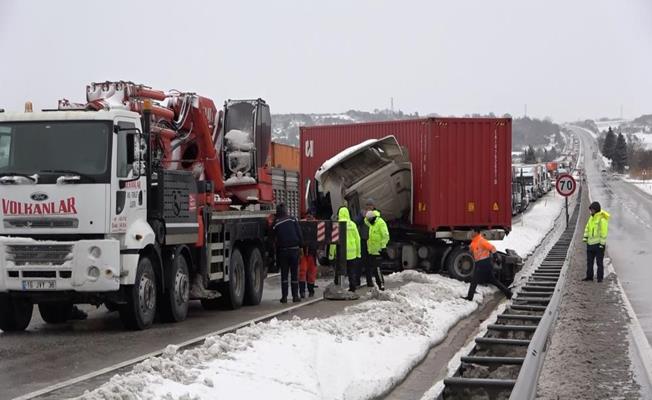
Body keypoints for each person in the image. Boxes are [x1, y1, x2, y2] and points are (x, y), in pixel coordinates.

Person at [462, 227, 512, 301]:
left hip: (484, 263)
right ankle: (508, 293)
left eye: (472, 231)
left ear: (476, 232)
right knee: (492, 280)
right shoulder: (474, 241)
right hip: (480, 263)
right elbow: (471, 248)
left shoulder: (481, 241)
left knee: (474, 280)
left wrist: (496, 257)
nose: (471, 233)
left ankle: (470, 297)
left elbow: (492, 248)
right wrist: (466, 248)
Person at [273, 203, 304, 303]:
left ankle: (284, 297)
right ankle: (295, 296)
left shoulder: (276, 223)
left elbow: (272, 238)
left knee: (284, 275)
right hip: (294, 250)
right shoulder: (293, 219)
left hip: (283, 251)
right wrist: (301, 246)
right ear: (286, 211)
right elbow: (299, 233)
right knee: (294, 274)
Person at [329, 206, 362, 292]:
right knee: (352, 271)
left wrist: (331, 254)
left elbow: (333, 241)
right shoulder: (353, 224)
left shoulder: (337, 225)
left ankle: (339, 287)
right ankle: (352, 287)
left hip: (341, 253)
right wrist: (359, 252)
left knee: (340, 271)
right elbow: (358, 239)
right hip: (352, 253)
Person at [582, 201, 610, 282]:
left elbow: (604, 232)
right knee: (589, 262)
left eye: (592, 210)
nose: (591, 211)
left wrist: (602, 244)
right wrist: (585, 237)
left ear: (596, 210)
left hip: (598, 245)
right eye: (591, 210)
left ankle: (599, 278)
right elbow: (587, 228)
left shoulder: (602, 218)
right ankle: (589, 277)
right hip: (590, 244)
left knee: (599, 262)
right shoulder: (591, 217)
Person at [354, 198, 377, 287]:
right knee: (360, 262)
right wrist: (362, 216)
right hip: (363, 240)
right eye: (367, 205)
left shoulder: (375, 215)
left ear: (373, 206)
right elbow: (355, 222)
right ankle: (357, 281)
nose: (368, 207)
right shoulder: (362, 214)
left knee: (369, 263)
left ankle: (369, 281)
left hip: (371, 241)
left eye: (370, 205)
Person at [365, 209, 389, 290]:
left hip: (378, 250)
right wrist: (366, 215)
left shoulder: (380, 223)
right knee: (374, 269)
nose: (369, 221)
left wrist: (383, 247)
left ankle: (381, 284)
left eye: (370, 219)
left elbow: (385, 236)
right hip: (372, 250)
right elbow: (366, 221)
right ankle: (378, 284)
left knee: (377, 268)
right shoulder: (372, 223)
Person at [299, 212, 318, 298]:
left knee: (309, 272)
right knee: (303, 272)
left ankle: (309, 291)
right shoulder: (316, 224)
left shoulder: (314, 224)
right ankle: (304, 291)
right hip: (306, 252)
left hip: (310, 252)